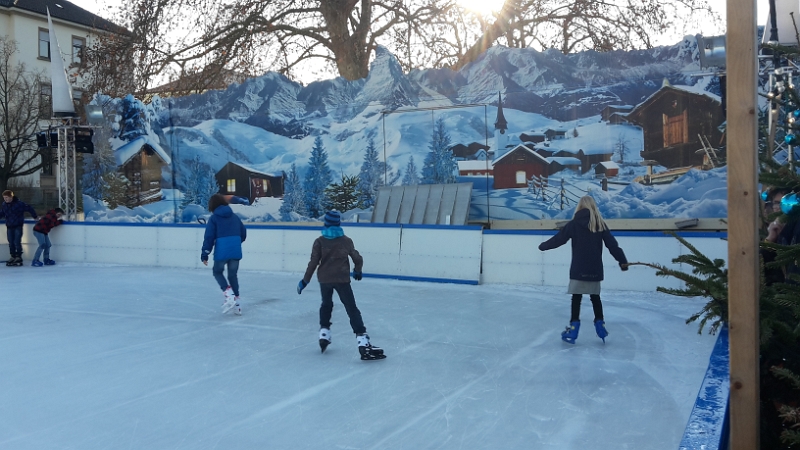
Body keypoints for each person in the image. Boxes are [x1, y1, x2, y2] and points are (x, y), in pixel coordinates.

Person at [538, 195, 628, 344]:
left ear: (579, 207)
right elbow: (612, 245)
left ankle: (573, 330)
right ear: (593, 207)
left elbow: (558, 239)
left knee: (576, 298)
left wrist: (543, 246)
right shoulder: (600, 224)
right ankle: (600, 326)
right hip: (595, 269)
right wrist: (622, 261)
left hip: (578, 269)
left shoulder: (573, 224)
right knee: (595, 298)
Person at [296, 210, 385, 360]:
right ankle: (363, 342)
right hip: (342, 279)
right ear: (338, 223)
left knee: (326, 304)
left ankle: (324, 333)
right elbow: (358, 258)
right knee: (351, 308)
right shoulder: (345, 241)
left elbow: (313, 263)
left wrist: (305, 280)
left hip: (324, 279)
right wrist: (358, 271)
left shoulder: (319, 241)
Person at [201, 194, 247, 315]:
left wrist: (205, 253)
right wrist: (236, 242)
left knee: (217, 271)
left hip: (222, 250)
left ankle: (229, 294)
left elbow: (209, 237)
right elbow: (243, 233)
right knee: (233, 275)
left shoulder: (214, 218)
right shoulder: (235, 217)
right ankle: (237, 304)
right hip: (236, 250)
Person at [0, 190, 38, 266]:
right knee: (11, 242)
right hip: (9, 226)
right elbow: (2, 213)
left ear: (11, 197)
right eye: (4, 198)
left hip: (18, 225)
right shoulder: (4, 204)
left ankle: (18, 257)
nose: (5, 199)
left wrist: (35, 216)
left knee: (17, 242)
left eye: (7, 197)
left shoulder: (19, 204)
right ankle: (13, 256)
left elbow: (29, 208)